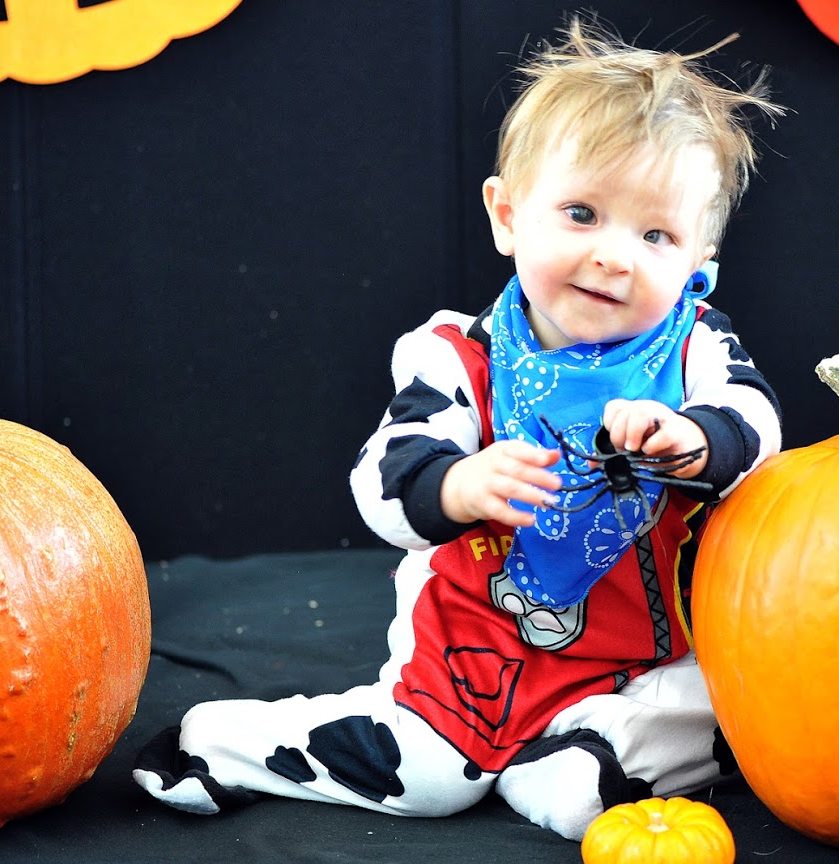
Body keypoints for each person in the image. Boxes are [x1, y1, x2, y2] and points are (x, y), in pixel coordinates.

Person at [134, 16, 783, 841]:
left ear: (700, 263)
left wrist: (696, 437)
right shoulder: (455, 354)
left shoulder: (695, 347)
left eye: (656, 235)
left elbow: (754, 422)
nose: (616, 255)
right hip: (481, 636)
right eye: (582, 213)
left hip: (649, 657)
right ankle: (227, 744)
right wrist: (456, 482)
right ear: (507, 215)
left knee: (652, 747)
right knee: (430, 780)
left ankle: (570, 763)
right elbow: (383, 480)